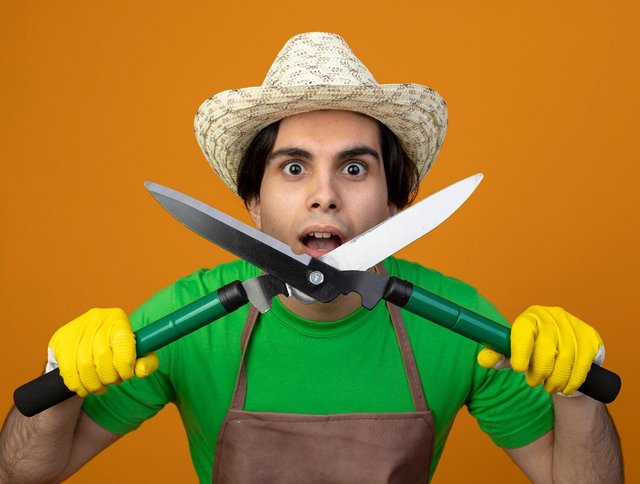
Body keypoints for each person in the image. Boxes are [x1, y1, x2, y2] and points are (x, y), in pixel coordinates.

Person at [0, 32, 623, 483]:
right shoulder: (187, 320)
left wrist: (578, 395)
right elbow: (23, 475)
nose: (324, 194)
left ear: (396, 207)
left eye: (355, 167)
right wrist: (62, 380)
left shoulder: (459, 322)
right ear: (252, 203)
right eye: (293, 167)